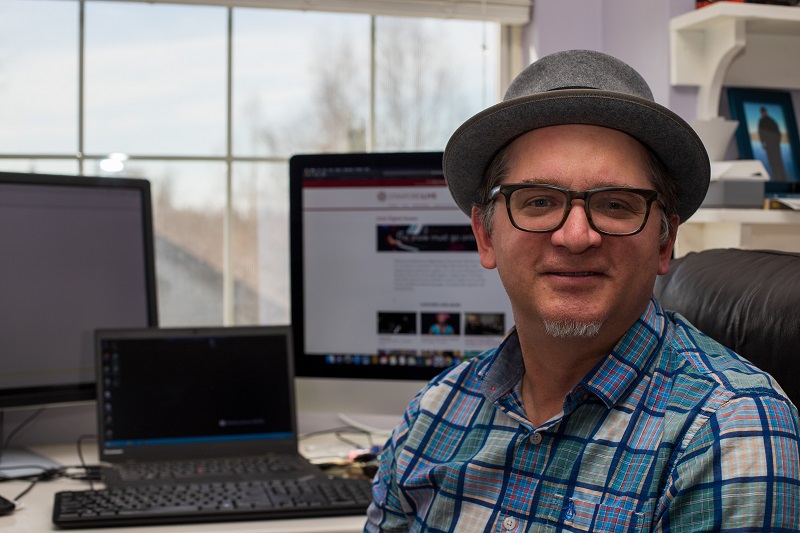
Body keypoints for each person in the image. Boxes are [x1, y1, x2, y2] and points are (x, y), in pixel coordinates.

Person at [364, 50, 800, 532]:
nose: (576, 236)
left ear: (665, 242)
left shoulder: (728, 434)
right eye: (539, 201)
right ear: (486, 236)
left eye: (615, 204)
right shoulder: (433, 413)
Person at [758, 106, 788, 182]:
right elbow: (761, 134)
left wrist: (775, 142)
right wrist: (763, 143)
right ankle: (778, 179)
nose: (763, 113)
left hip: (773, 144)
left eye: (763, 112)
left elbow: (777, 133)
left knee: (777, 161)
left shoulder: (769, 121)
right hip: (770, 144)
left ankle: (781, 179)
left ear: (765, 112)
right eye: (762, 112)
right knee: (773, 161)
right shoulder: (764, 121)